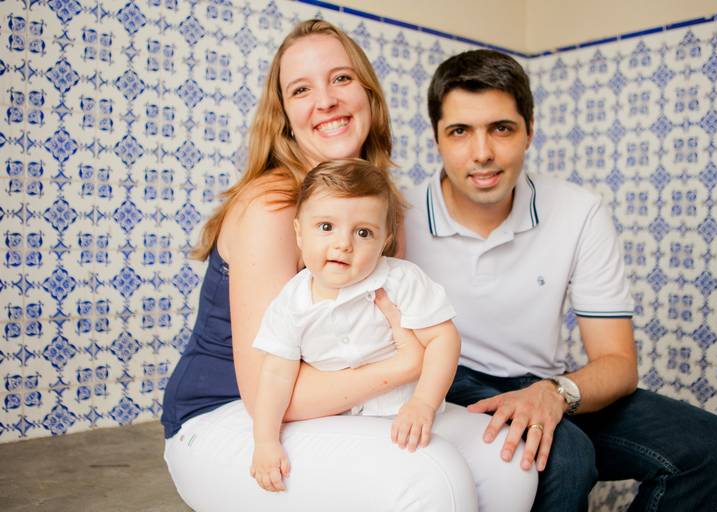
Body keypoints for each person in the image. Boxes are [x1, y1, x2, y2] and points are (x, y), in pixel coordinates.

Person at [161, 20, 537, 512]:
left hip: (344, 401)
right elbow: (268, 396)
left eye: (340, 79)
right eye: (301, 89)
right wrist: (405, 365)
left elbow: (404, 332)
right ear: (284, 118)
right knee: (429, 475)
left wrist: (415, 386)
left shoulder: (381, 211)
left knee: (505, 457)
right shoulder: (273, 208)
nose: (326, 100)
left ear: (369, 97)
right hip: (233, 418)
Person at [403, 48, 717, 512]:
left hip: (541, 383)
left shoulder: (578, 211)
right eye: (460, 131)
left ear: (529, 131)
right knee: (566, 457)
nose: (482, 153)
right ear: (437, 139)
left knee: (713, 446)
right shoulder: (398, 217)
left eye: (501, 128)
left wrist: (554, 393)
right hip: (448, 387)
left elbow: (617, 363)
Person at [251, 159, 461, 492]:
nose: (343, 244)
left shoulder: (400, 280)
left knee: (458, 468)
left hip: (407, 413)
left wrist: (424, 402)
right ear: (299, 232)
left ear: (385, 239)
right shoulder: (292, 302)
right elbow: (276, 373)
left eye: (363, 232)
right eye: (325, 227)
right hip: (334, 424)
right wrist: (265, 441)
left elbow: (443, 339)